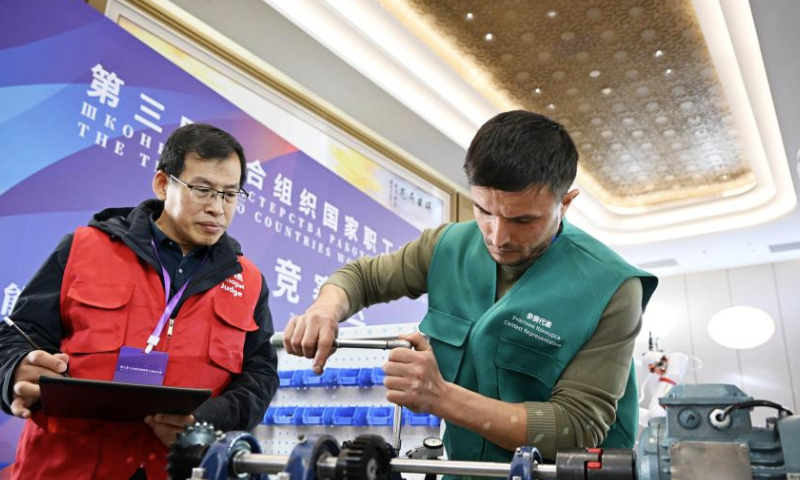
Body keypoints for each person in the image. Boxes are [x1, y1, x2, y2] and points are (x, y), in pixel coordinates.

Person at [283, 110, 657, 463]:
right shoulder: (447, 246)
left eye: (523, 220)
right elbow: (362, 278)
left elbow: (577, 429)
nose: (498, 236)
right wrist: (325, 309)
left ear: (567, 203)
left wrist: (441, 397)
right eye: (484, 211)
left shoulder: (613, 288)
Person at [0, 123, 279, 480]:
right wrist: (14, 371)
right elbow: (16, 336)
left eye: (229, 194)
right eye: (203, 190)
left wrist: (207, 418)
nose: (217, 208)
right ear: (164, 184)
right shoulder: (85, 248)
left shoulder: (249, 281)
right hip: (65, 465)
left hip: (174, 467)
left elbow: (261, 375)